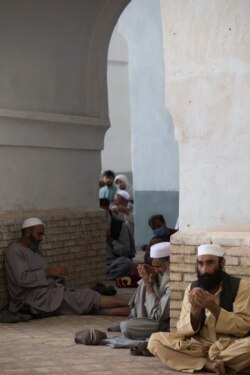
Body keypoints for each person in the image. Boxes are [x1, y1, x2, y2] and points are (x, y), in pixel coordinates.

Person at [147, 244, 250, 374]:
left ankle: (194, 361)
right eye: (200, 264)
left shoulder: (242, 287)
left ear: (222, 263)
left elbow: (244, 326)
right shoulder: (192, 289)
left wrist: (213, 308)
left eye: (210, 263)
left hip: (229, 345)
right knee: (155, 341)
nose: (204, 269)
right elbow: (182, 330)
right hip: (198, 345)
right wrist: (195, 311)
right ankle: (208, 364)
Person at [4, 218, 130, 319]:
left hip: (48, 293)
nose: (41, 238)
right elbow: (22, 279)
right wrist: (48, 272)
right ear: (27, 232)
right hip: (33, 298)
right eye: (39, 234)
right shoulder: (15, 251)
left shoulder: (35, 250)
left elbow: (42, 274)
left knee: (84, 304)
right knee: (87, 296)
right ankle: (133, 304)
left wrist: (55, 275)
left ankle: (130, 310)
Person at [119, 242, 171, 340]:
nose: (156, 270)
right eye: (154, 266)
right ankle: (135, 319)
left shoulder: (173, 285)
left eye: (158, 266)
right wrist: (152, 275)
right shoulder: (165, 272)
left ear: (169, 263)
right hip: (153, 317)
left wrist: (150, 288)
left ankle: (136, 323)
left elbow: (158, 317)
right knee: (144, 281)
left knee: (126, 327)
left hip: (164, 324)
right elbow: (159, 279)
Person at [100, 199, 136, 280]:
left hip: (113, 262)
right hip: (97, 262)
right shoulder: (92, 224)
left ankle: (104, 276)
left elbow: (126, 252)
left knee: (126, 263)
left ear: (108, 210)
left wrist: (111, 240)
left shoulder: (119, 226)